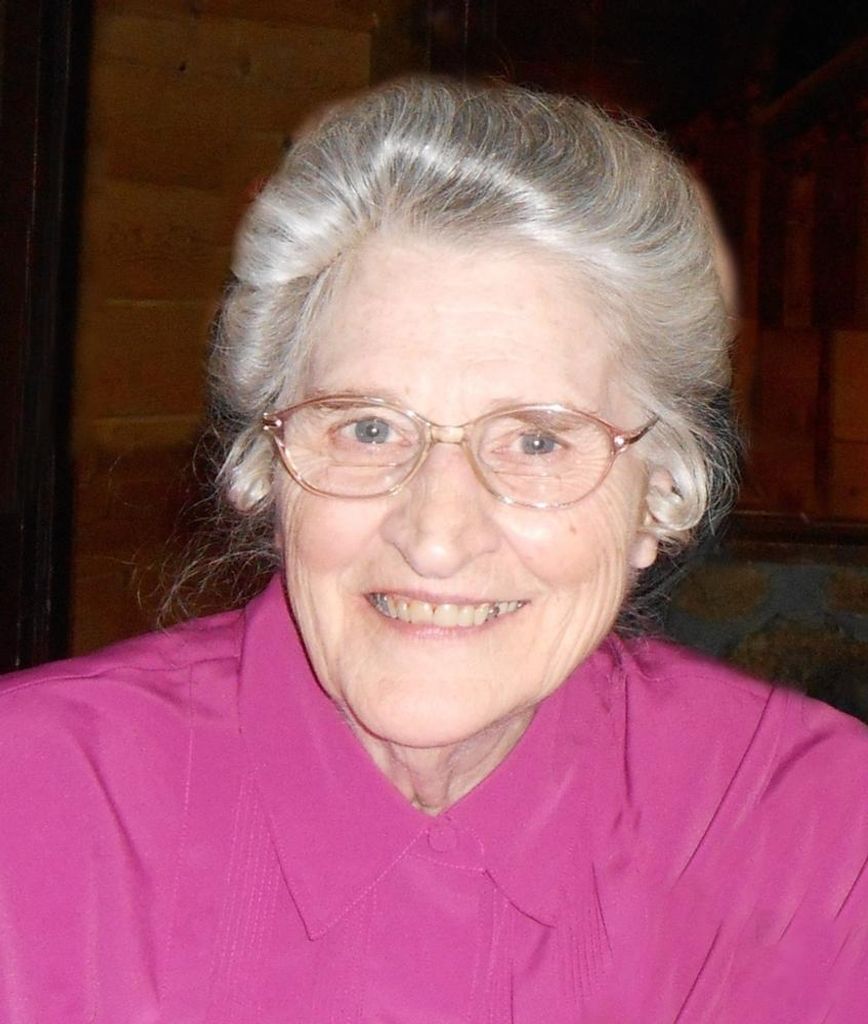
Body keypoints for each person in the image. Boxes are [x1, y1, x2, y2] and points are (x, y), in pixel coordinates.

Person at [1, 77, 866, 1024]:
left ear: (660, 495)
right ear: (266, 469)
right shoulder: (32, 799)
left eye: (537, 440)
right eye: (368, 428)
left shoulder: (814, 828)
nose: (437, 537)